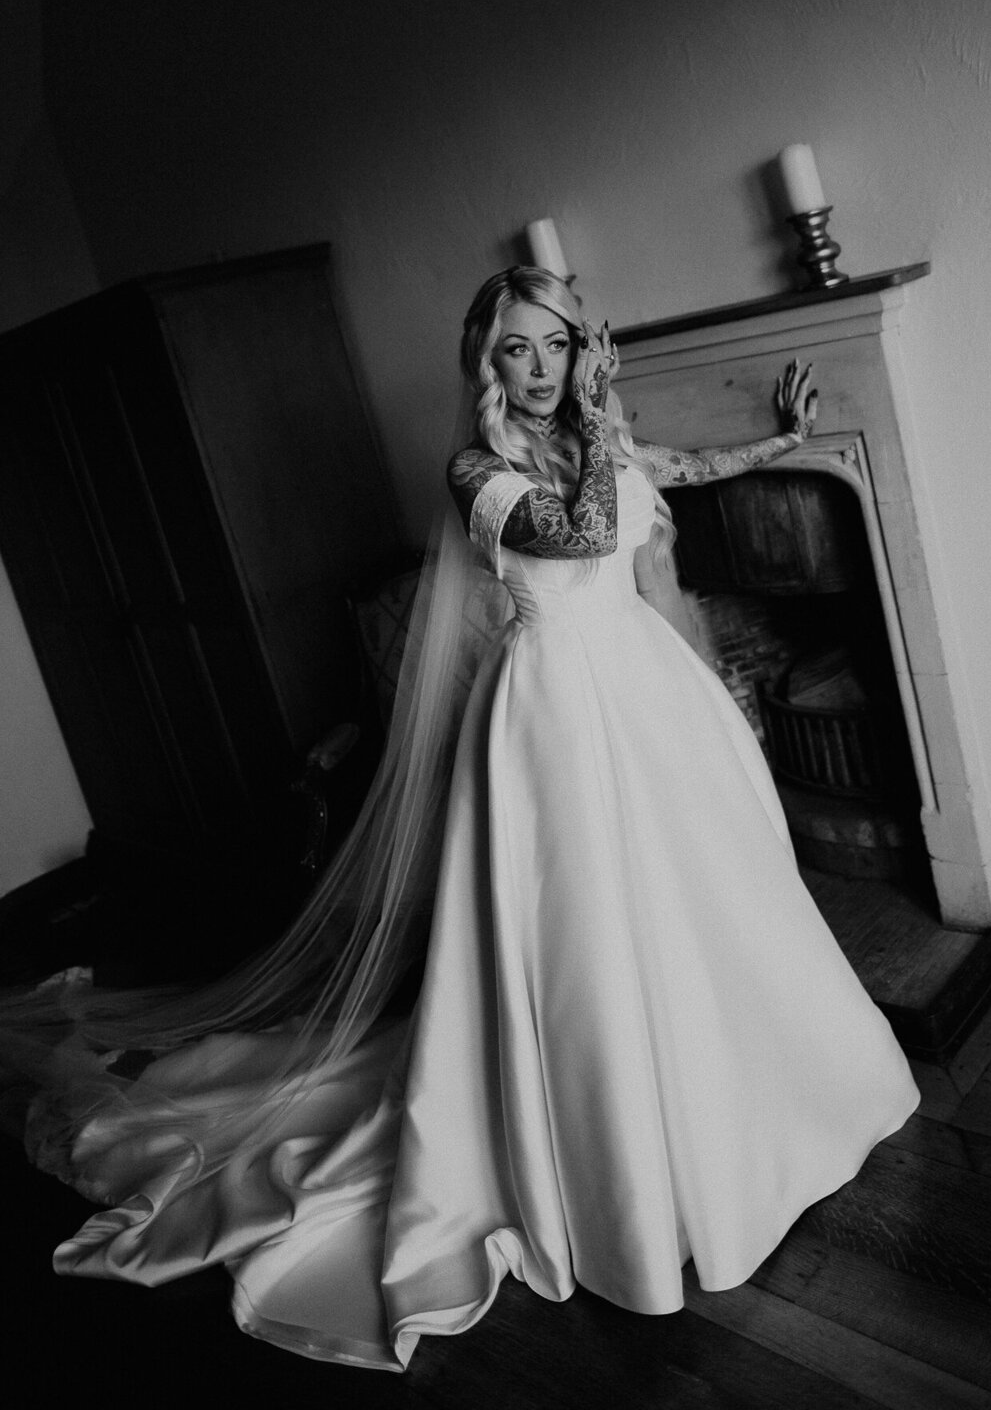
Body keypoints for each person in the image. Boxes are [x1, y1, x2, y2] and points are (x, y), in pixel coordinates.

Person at [14, 264, 918, 1373]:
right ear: (486, 367)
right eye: (516, 352)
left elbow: (667, 473)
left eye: (555, 345)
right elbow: (585, 538)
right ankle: (627, 1165)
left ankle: (770, 1108)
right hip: (553, 717)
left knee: (716, 904)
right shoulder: (475, 469)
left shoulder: (603, 441)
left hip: (649, 698)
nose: (538, 370)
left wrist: (779, 443)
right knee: (588, 936)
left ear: (581, 344)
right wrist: (594, 406)